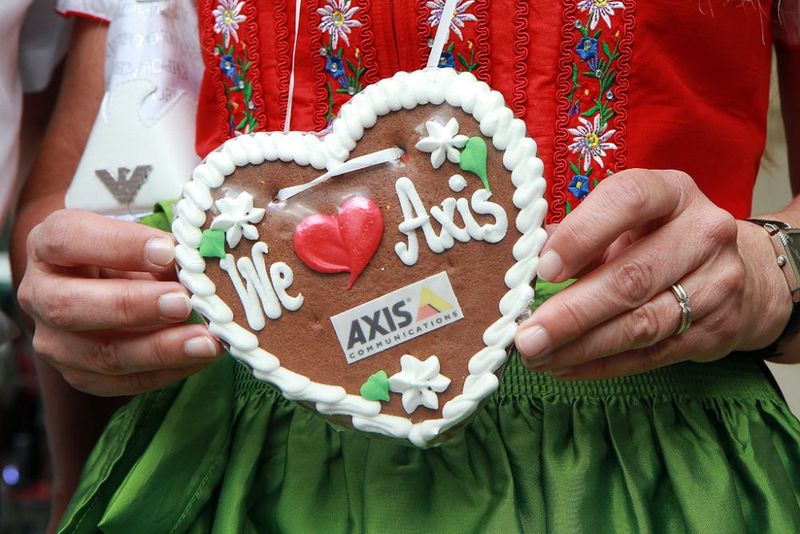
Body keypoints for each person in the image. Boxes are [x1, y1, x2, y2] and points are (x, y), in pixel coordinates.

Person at [11, 0, 800, 531]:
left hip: (640, 470)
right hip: (240, 463)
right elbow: (69, 193)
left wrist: (772, 270)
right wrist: (80, 288)